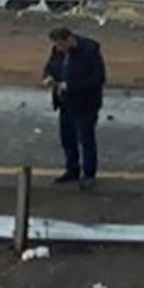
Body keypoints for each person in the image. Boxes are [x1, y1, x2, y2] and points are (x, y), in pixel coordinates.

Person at [42, 27, 106, 189]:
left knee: (86, 139)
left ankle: (89, 174)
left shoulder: (89, 52)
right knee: (67, 139)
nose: (59, 49)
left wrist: (70, 86)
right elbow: (50, 67)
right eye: (57, 46)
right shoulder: (57, 51)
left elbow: (98, 78)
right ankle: (72, 170)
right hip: (65, 103)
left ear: (70, 39)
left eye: (62, 45)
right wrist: (48, 77)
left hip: (86, 104)